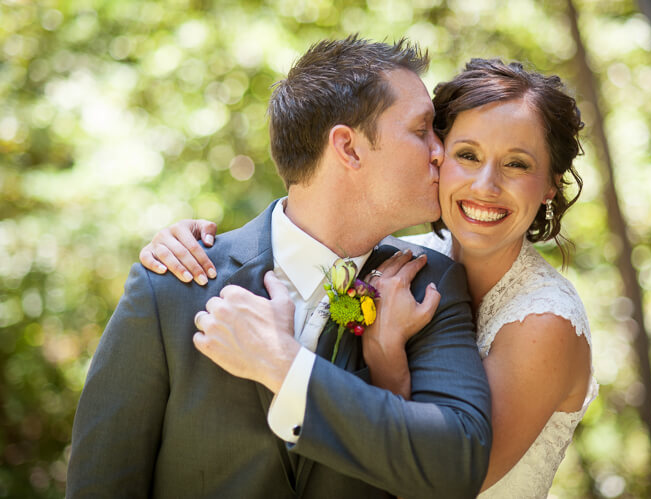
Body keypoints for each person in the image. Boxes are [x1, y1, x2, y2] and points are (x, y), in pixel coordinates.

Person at [143, 58, 597, 498]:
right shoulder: (397, 262)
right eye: (466, 154)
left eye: (517, 164)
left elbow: (441, 483)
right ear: (439, 156)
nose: (485, 185)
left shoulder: (544, 323)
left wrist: (375, 354)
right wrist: (198, 246)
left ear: (551, 184)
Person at [66, 37, 493, 499]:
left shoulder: (431, 285)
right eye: (422, 130)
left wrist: (284, 365)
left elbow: (457, 463)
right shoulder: (171, 288)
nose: (440, 152)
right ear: (348, 148)